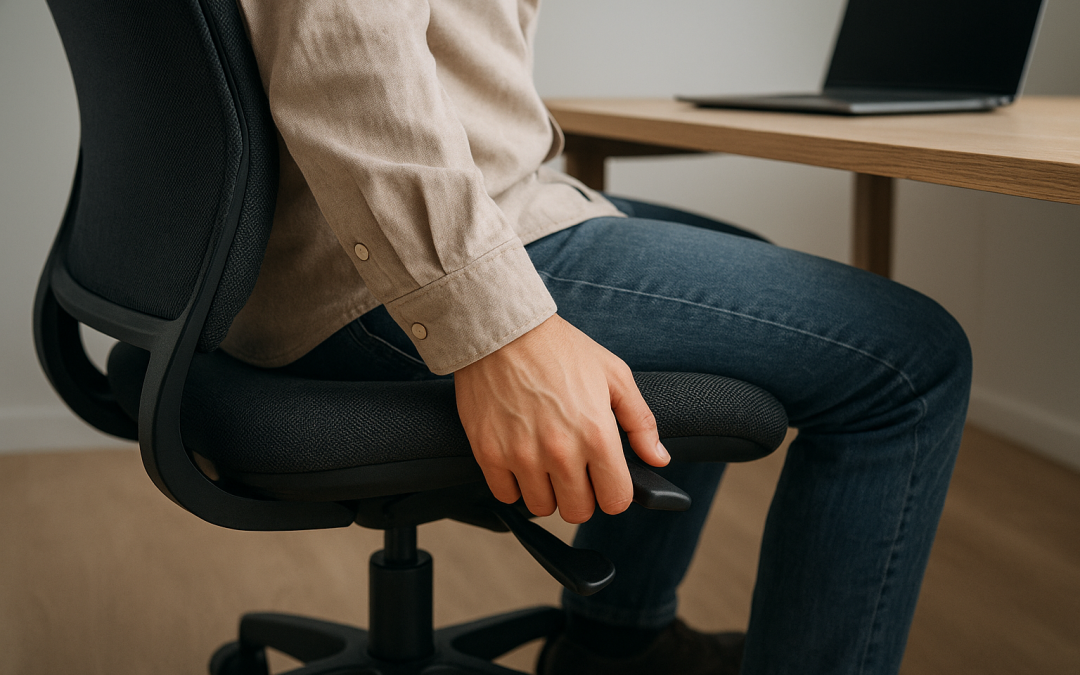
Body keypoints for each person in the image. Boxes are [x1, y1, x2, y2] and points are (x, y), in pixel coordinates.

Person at [226, 2, 973, 673]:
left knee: (747, 257)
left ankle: (618, 643)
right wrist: (495, 331)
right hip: (368, 269)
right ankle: (618, 643)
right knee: (910, 362)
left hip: (379, 230)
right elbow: (343, 55)